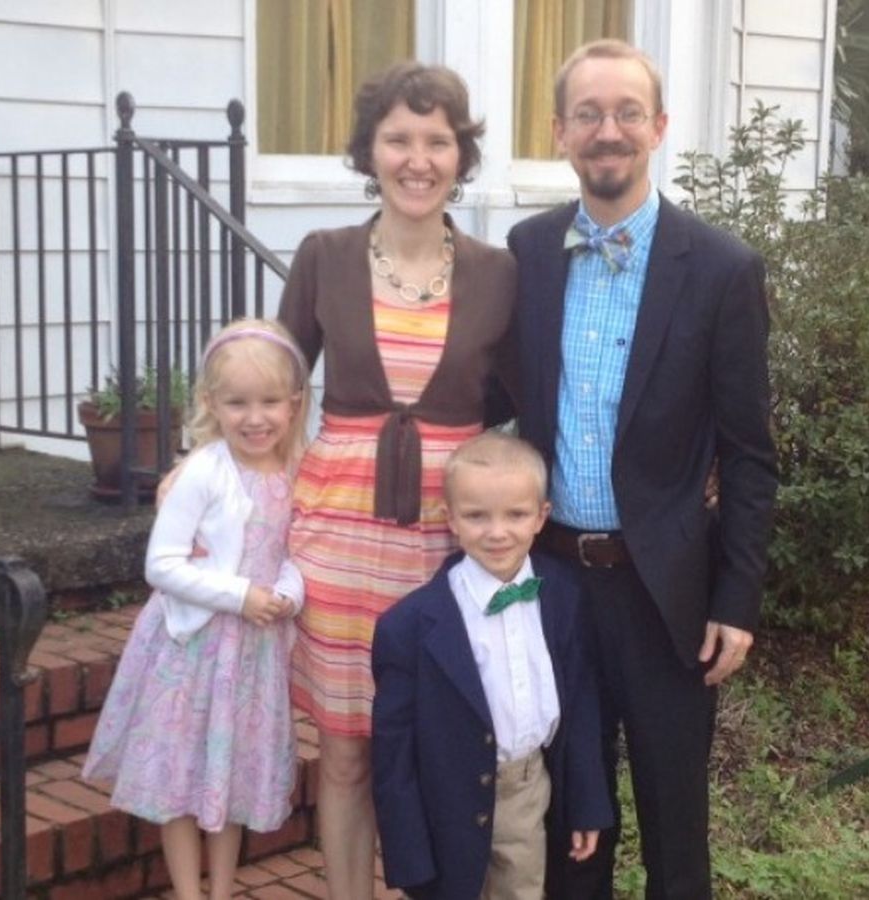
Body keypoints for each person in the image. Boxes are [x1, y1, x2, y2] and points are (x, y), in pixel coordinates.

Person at [505, 39, 778, 900]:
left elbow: (750, 454)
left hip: (667, 596)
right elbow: (481, 395)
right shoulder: (528, 251)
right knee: (570, 825)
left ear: (658, 128)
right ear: (560, 131)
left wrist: (736, 600)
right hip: (553, 583)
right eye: (588, 113)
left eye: (627, 112)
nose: (608, 130)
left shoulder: (722, 268)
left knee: (674, 827)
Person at [277, 62, 517, 899]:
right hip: (338, 538)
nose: (419, 160)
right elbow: (275, 388)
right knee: (346, 752)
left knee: (440, 742)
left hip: (450, 542)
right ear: (369, 152)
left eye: (438, 141)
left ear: (461, 155)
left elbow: (528, 401)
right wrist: (202, 471)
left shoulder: (499, 271)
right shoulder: (325, 256)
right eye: (399, 139)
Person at [82, 318, 312, 900]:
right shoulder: (205, 472)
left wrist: (288, 592)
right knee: (181, 779)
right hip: (193, 649)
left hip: (253, 653)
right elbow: (161, 565)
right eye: (237, 403)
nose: (254, 418)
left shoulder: (296, 472)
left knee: (227, 776)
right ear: (211, 403)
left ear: (293, 404)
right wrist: (239, 595)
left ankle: (223, 888)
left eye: (269, 402)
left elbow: (297, 552)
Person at [371, 431, 613, 900]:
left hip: (526, 791)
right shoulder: (409, 626)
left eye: (515, 515)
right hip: (445, 802)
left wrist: (587, 803)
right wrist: (407, 854)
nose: (497, 532)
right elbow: (392, 753)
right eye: (477, 515)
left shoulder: (563, 595)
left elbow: (582, 706)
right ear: (451, 518)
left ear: (541, 516)